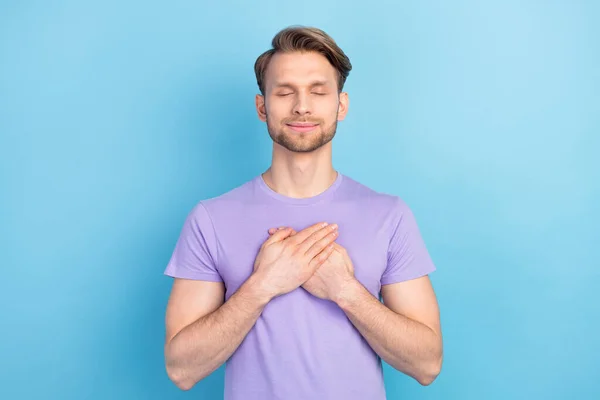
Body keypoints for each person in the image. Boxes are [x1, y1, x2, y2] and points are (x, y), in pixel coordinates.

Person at [163, 25, 443, 399]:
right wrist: (262, 286)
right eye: (284, 92)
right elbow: (181, 369)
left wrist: (346, 291)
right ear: (262, 107)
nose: (302, 106)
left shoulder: (389, 215)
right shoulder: (210, 219)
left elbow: (427, 365)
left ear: (340, 105)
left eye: (318, 91)